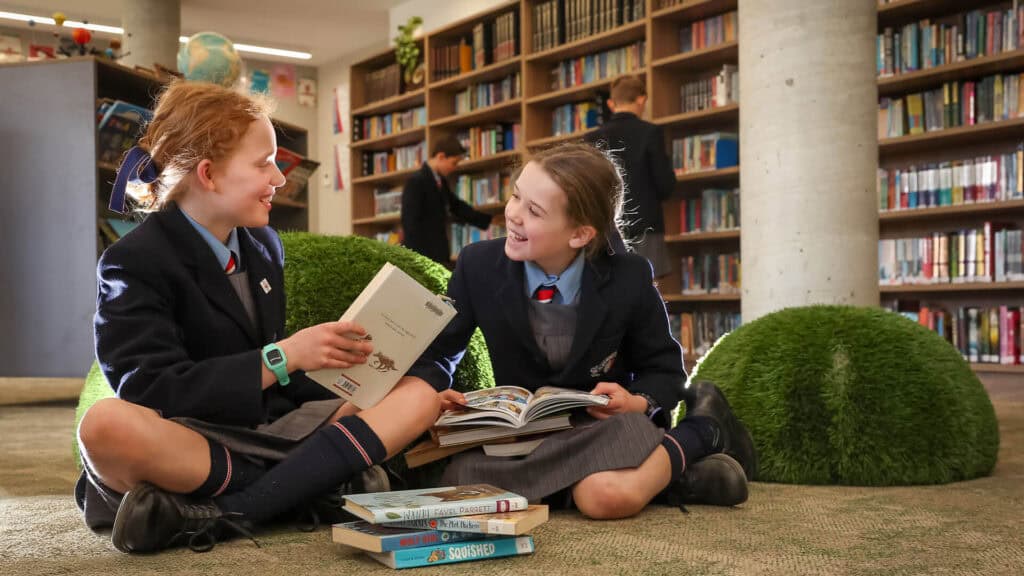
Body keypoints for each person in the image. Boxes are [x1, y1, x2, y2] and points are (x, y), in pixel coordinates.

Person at [76, 81, 441, 554]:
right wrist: (282, 356)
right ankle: (314, 483)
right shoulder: (134, 260)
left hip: (269, 430)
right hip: (191, 438)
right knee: (104, 427)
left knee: (419, 394)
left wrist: (350, 373)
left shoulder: (264, 246)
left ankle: (230, 512)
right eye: (264, 162)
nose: (280, 179)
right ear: (208, 174)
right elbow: (148, 387)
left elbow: (280, 387)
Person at [405, 143, 757, 519]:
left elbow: (665, 371)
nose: (513, 215)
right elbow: (441, 351)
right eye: (515, 197)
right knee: (461, 481)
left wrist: (635, 401)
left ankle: (702, 429)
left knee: (603, 498)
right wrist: (434, 393)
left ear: (579, 234)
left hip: (601, 429)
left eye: (534, 211)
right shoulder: (478, 266)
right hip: (523, 438)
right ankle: (669, 473)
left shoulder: (629, 277)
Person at [585, 75, 676, 278]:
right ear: (642, 99)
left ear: (611, 103)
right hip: (646, 228)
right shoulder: (651, 133)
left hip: (604, 230)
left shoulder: (591, 139)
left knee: (611, 290)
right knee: (649, 293)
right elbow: (665, 185)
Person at [400, 136, 494, 264]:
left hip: (439, 252)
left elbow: (456, 207)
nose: (454, 168)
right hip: (423, 255)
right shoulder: (416, 181)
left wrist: (489, 220)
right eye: (454, 163)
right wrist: (418, 260)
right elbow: (410, 224)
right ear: (441, 157)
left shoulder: (441, 182)